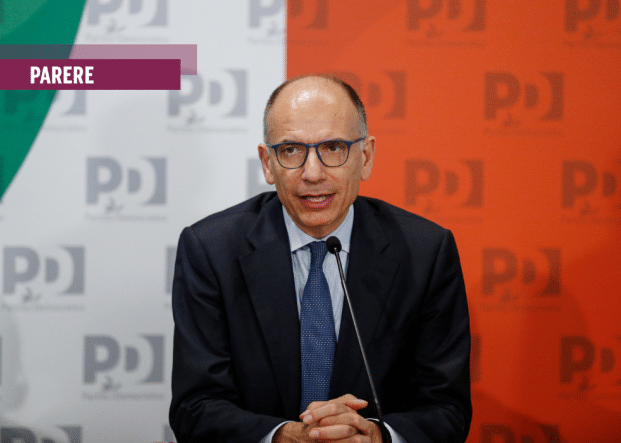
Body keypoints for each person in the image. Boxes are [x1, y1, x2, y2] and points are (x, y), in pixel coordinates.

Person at [169, 75, 471, 442]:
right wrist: (285, 437)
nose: (312, 173)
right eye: (291, 150)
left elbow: (447, 408)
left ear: (366, 157)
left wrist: (377, 437)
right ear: (267, 163)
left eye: (333, 147)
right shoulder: (211, 250)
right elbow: (195, 407)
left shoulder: (425, 252)